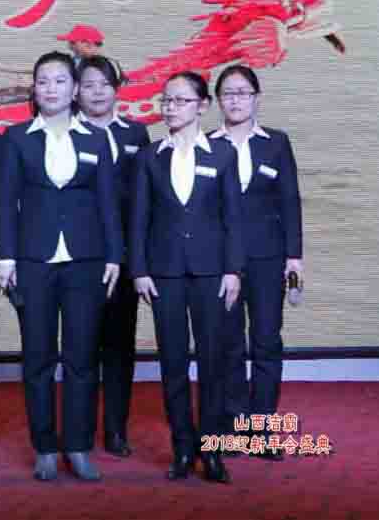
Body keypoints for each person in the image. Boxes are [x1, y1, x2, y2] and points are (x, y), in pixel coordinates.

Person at [0, 51, 122, 482]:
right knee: (38, 358)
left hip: (86, 261)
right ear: (34, 89)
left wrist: (114, 256)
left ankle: (79, 445)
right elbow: (5, 203)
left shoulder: (96, 139)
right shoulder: (16, 138)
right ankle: (45, 447)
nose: (51, 88)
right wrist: (5, 256)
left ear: (75, 89)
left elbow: (108, 203)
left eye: (60, 81)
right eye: (43, 81)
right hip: (33, 261)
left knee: (82, 357)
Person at [131, 71, 243, 484]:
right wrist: (139, 270)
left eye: (180, 101)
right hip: (164, 273)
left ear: (202, 106)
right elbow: (139, 219)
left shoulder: (223, 154)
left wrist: (233, 270)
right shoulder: (150, 157)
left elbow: (233, 219)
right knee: (173, 362)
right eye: (166, 100)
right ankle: (182, 448)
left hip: (212, 271)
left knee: (213, 362)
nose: (170, 108)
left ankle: (212, 451)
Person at [210, 65, 302, 462]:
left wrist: (294, 257)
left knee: (266, 340)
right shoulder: (206, 144)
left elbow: (289, 201)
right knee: (228, 342)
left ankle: (262, 428)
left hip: (267, 257)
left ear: (257, 98)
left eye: (243, 92)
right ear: (217, 101)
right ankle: (234, 425)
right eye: (227, 93)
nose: (235, 100)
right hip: (222, 261)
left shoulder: (276, 143)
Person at [75, 55, 152, 459]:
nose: (97, 92)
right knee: (82, 347)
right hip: (80, 257)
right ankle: (81, 430)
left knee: (119, 347)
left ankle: (116, 429)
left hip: (122, 259)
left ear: (117, 89)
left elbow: (145, 200)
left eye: (105, 84)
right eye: (89, 85)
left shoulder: (136, 135)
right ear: (76, 91)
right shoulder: (65, 133)